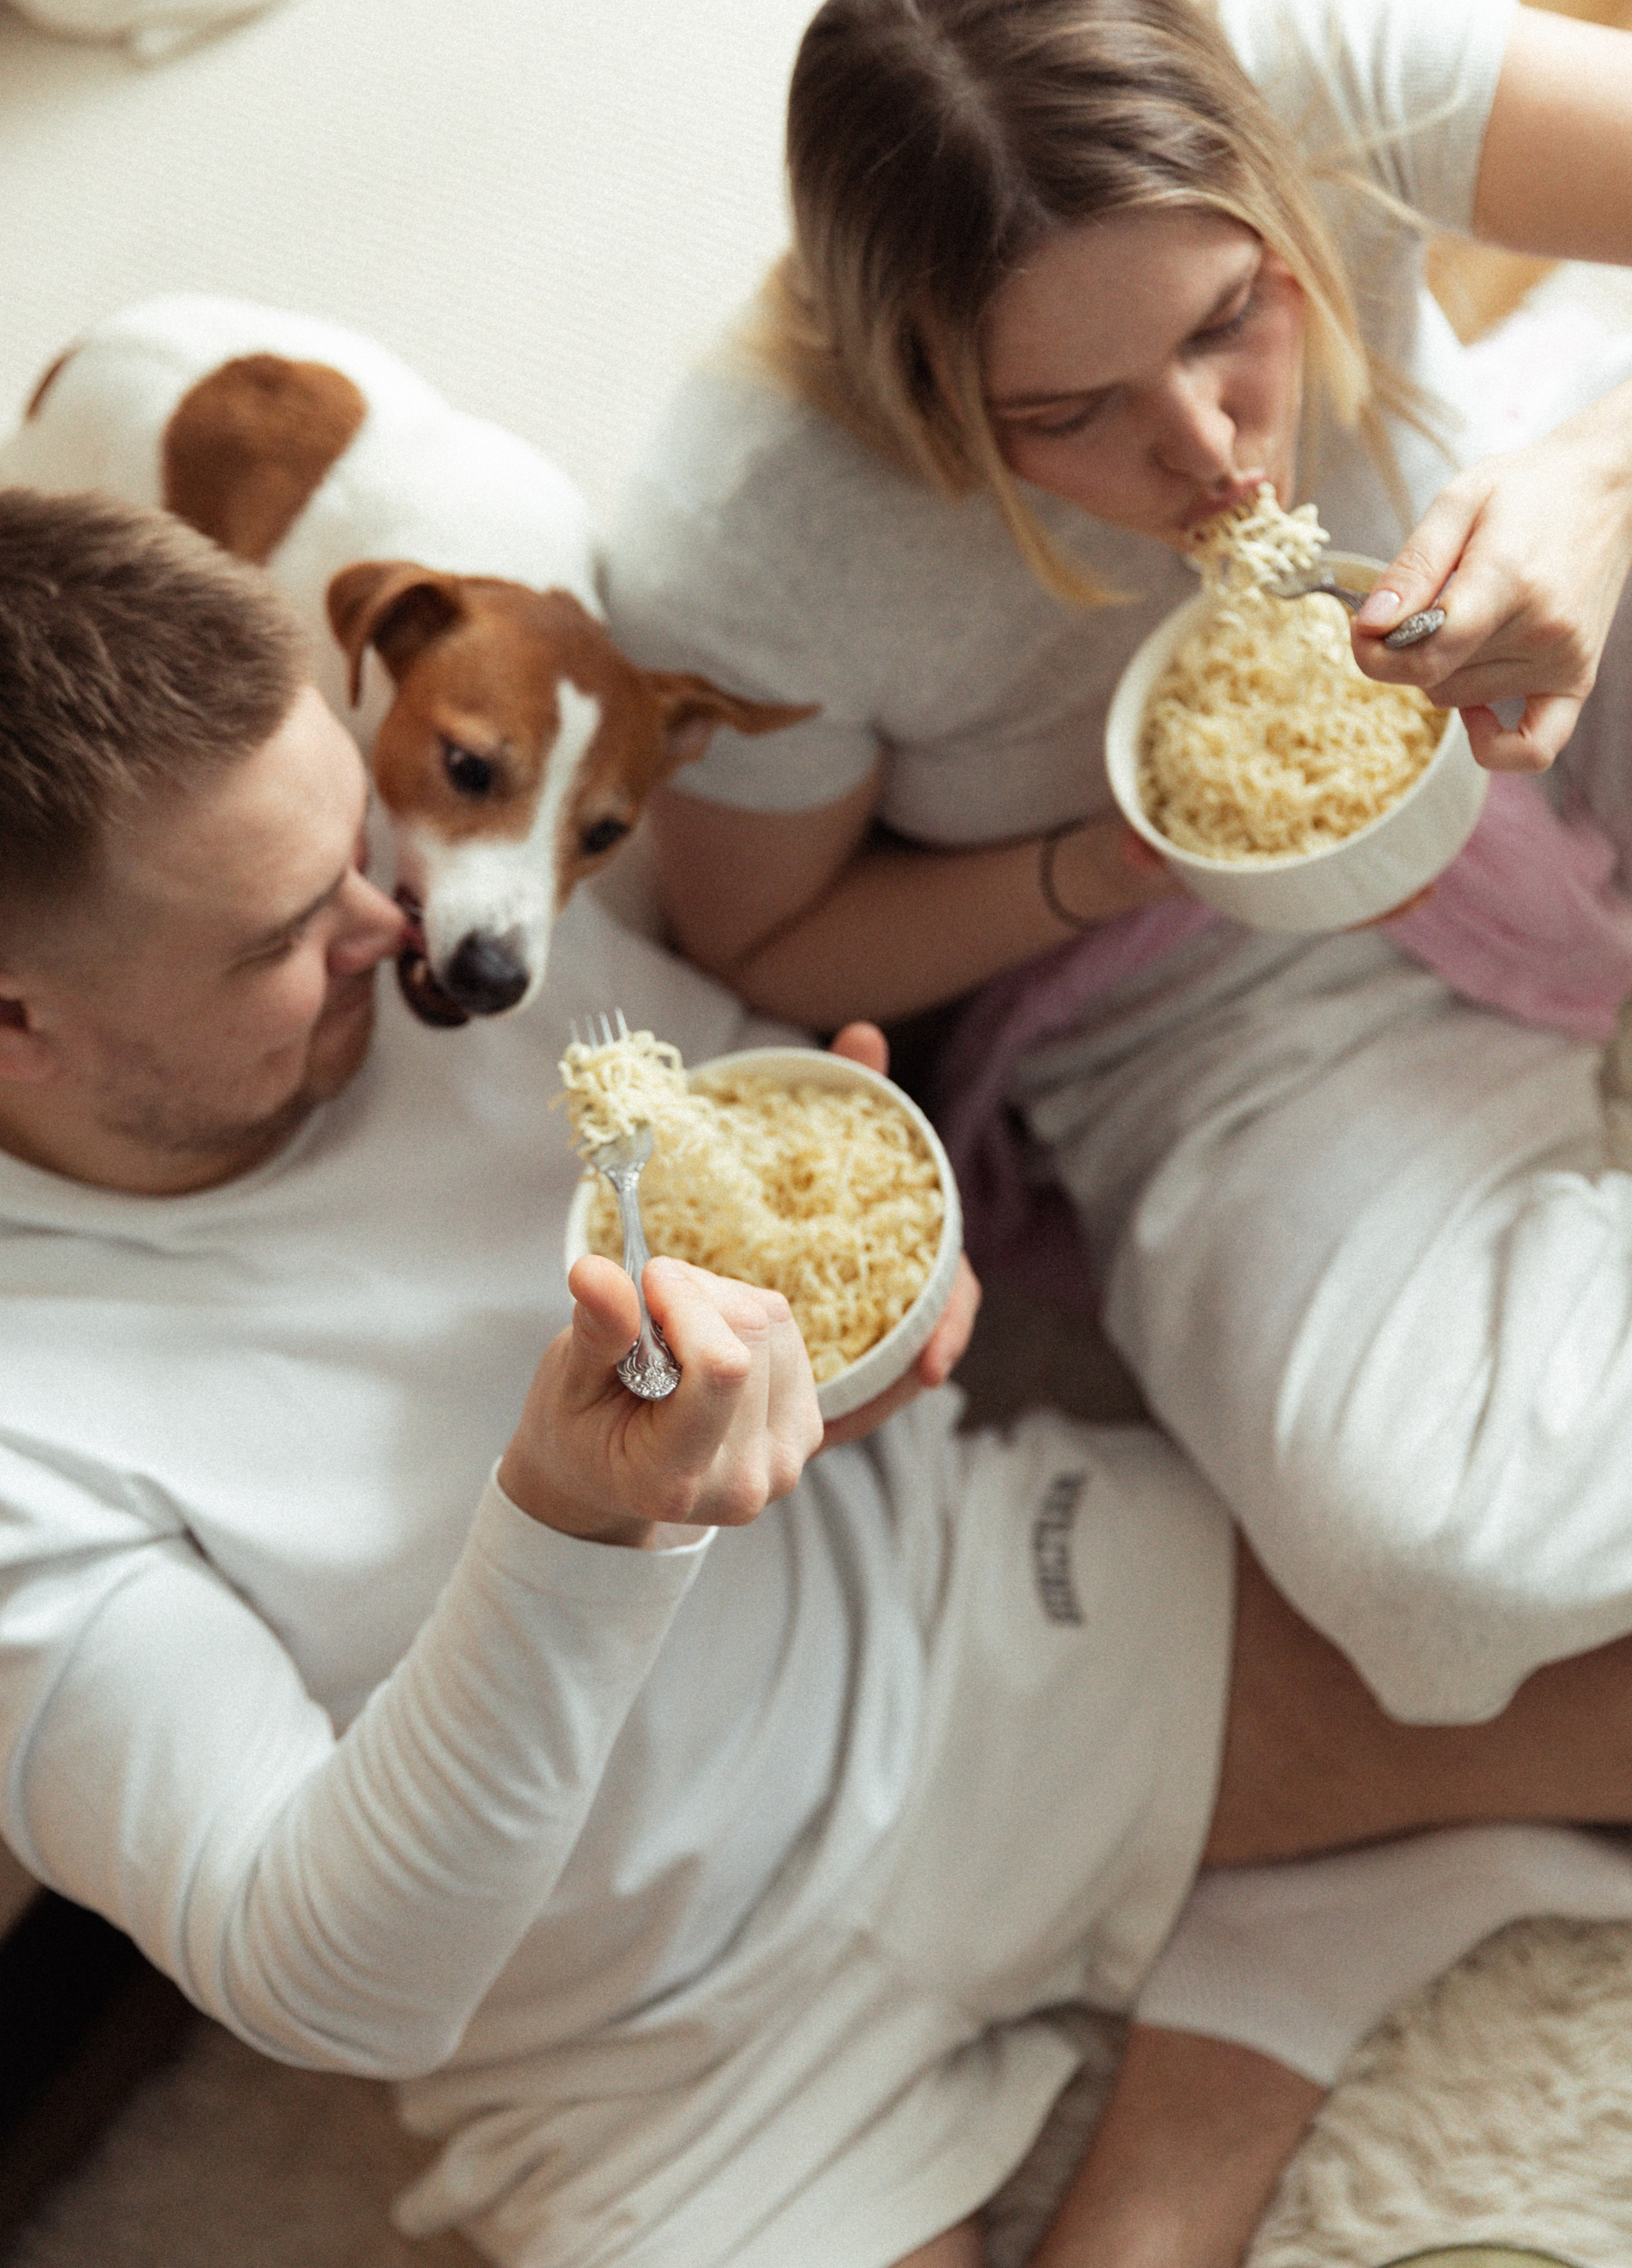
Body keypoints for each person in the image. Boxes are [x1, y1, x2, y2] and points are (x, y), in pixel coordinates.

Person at [8, 488, 1632, 2268]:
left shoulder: (434, 921)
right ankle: (1262, 2005)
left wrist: (864, 1293)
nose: (397, 928)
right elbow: (330, 1983)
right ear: (21, 1020)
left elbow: (757, 1097)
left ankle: (1252, 1991)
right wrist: (572, 1521)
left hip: (992, 1628)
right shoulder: (32, 1440)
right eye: (275, 941)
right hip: (646, 2058)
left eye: (354, 844)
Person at [602, 0, 1632, 1726]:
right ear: (934, 402)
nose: (1211, 450)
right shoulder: (750, 540)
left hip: (1519, 631)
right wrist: (1116, 857)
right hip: (1190, 978)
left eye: (1233, 318)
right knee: (1436, 1570)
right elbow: (772, 940)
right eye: (1069, 413)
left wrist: (1595, 477)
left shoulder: (1315, 67)